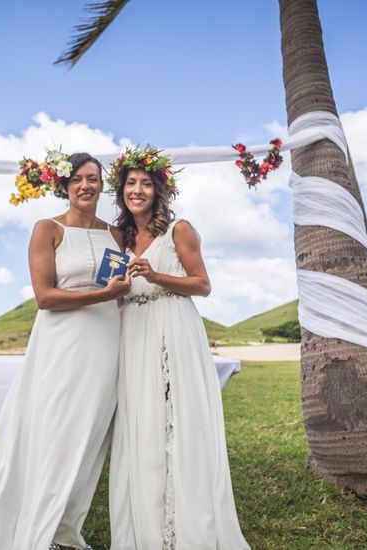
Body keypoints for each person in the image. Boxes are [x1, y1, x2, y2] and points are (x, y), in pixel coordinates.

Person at [0, 153, 130, 549]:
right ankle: (34, 527)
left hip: (106, 345)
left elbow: (120, 290)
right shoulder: (47, 229)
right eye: (79, 179)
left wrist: (121, 297)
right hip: (62, 344)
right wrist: (104, 294)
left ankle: (65, 529)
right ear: (65, 186)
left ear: (102, 185)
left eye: (94, 179)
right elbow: (45, 297)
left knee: (89, 435)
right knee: (54, 432)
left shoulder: (116, 235)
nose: (87, 185)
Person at [107, 147, 249, 549]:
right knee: (143, 422)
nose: (137, 190)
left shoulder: (179, 230)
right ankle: (147, 525)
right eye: (131, 183)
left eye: (145, 184)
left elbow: (202, 284)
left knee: (177, 418)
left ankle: (186, 526)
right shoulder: (120, 238)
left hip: (172, 324)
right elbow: (119, 292)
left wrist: (156, 275)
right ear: (122, 191)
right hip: (133, 329)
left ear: (158, 189)